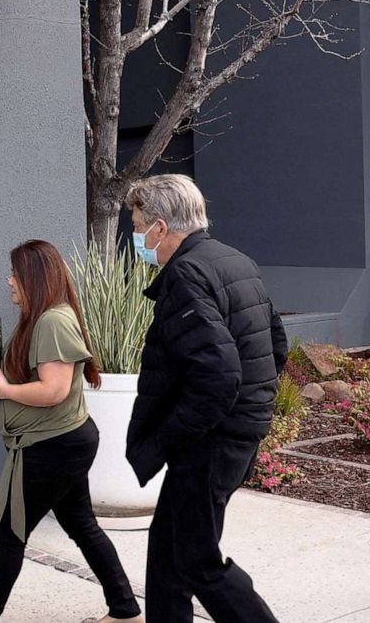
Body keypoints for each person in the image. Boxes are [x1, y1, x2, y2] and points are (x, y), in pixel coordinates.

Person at [0, 240, 142, 623]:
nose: (9, 280)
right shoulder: (40, 318)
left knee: (14, 530)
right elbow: (7, 375)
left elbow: (54, 390)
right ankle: (126, 610)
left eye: (14, 273)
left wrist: (3, 392)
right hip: (61, 442)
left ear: (32, 277)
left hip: (55, 445)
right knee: (82, 525)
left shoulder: (52, 321)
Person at [125, 174, 286, 623]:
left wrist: (170, 436)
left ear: (160, 227)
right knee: (168, 549)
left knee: (197, 560)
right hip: (232, 432)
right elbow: (275, 347)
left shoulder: (185, 276)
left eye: (138, 226)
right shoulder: (235, 261)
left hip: (210, 441)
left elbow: (217, 376)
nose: (136, 236)